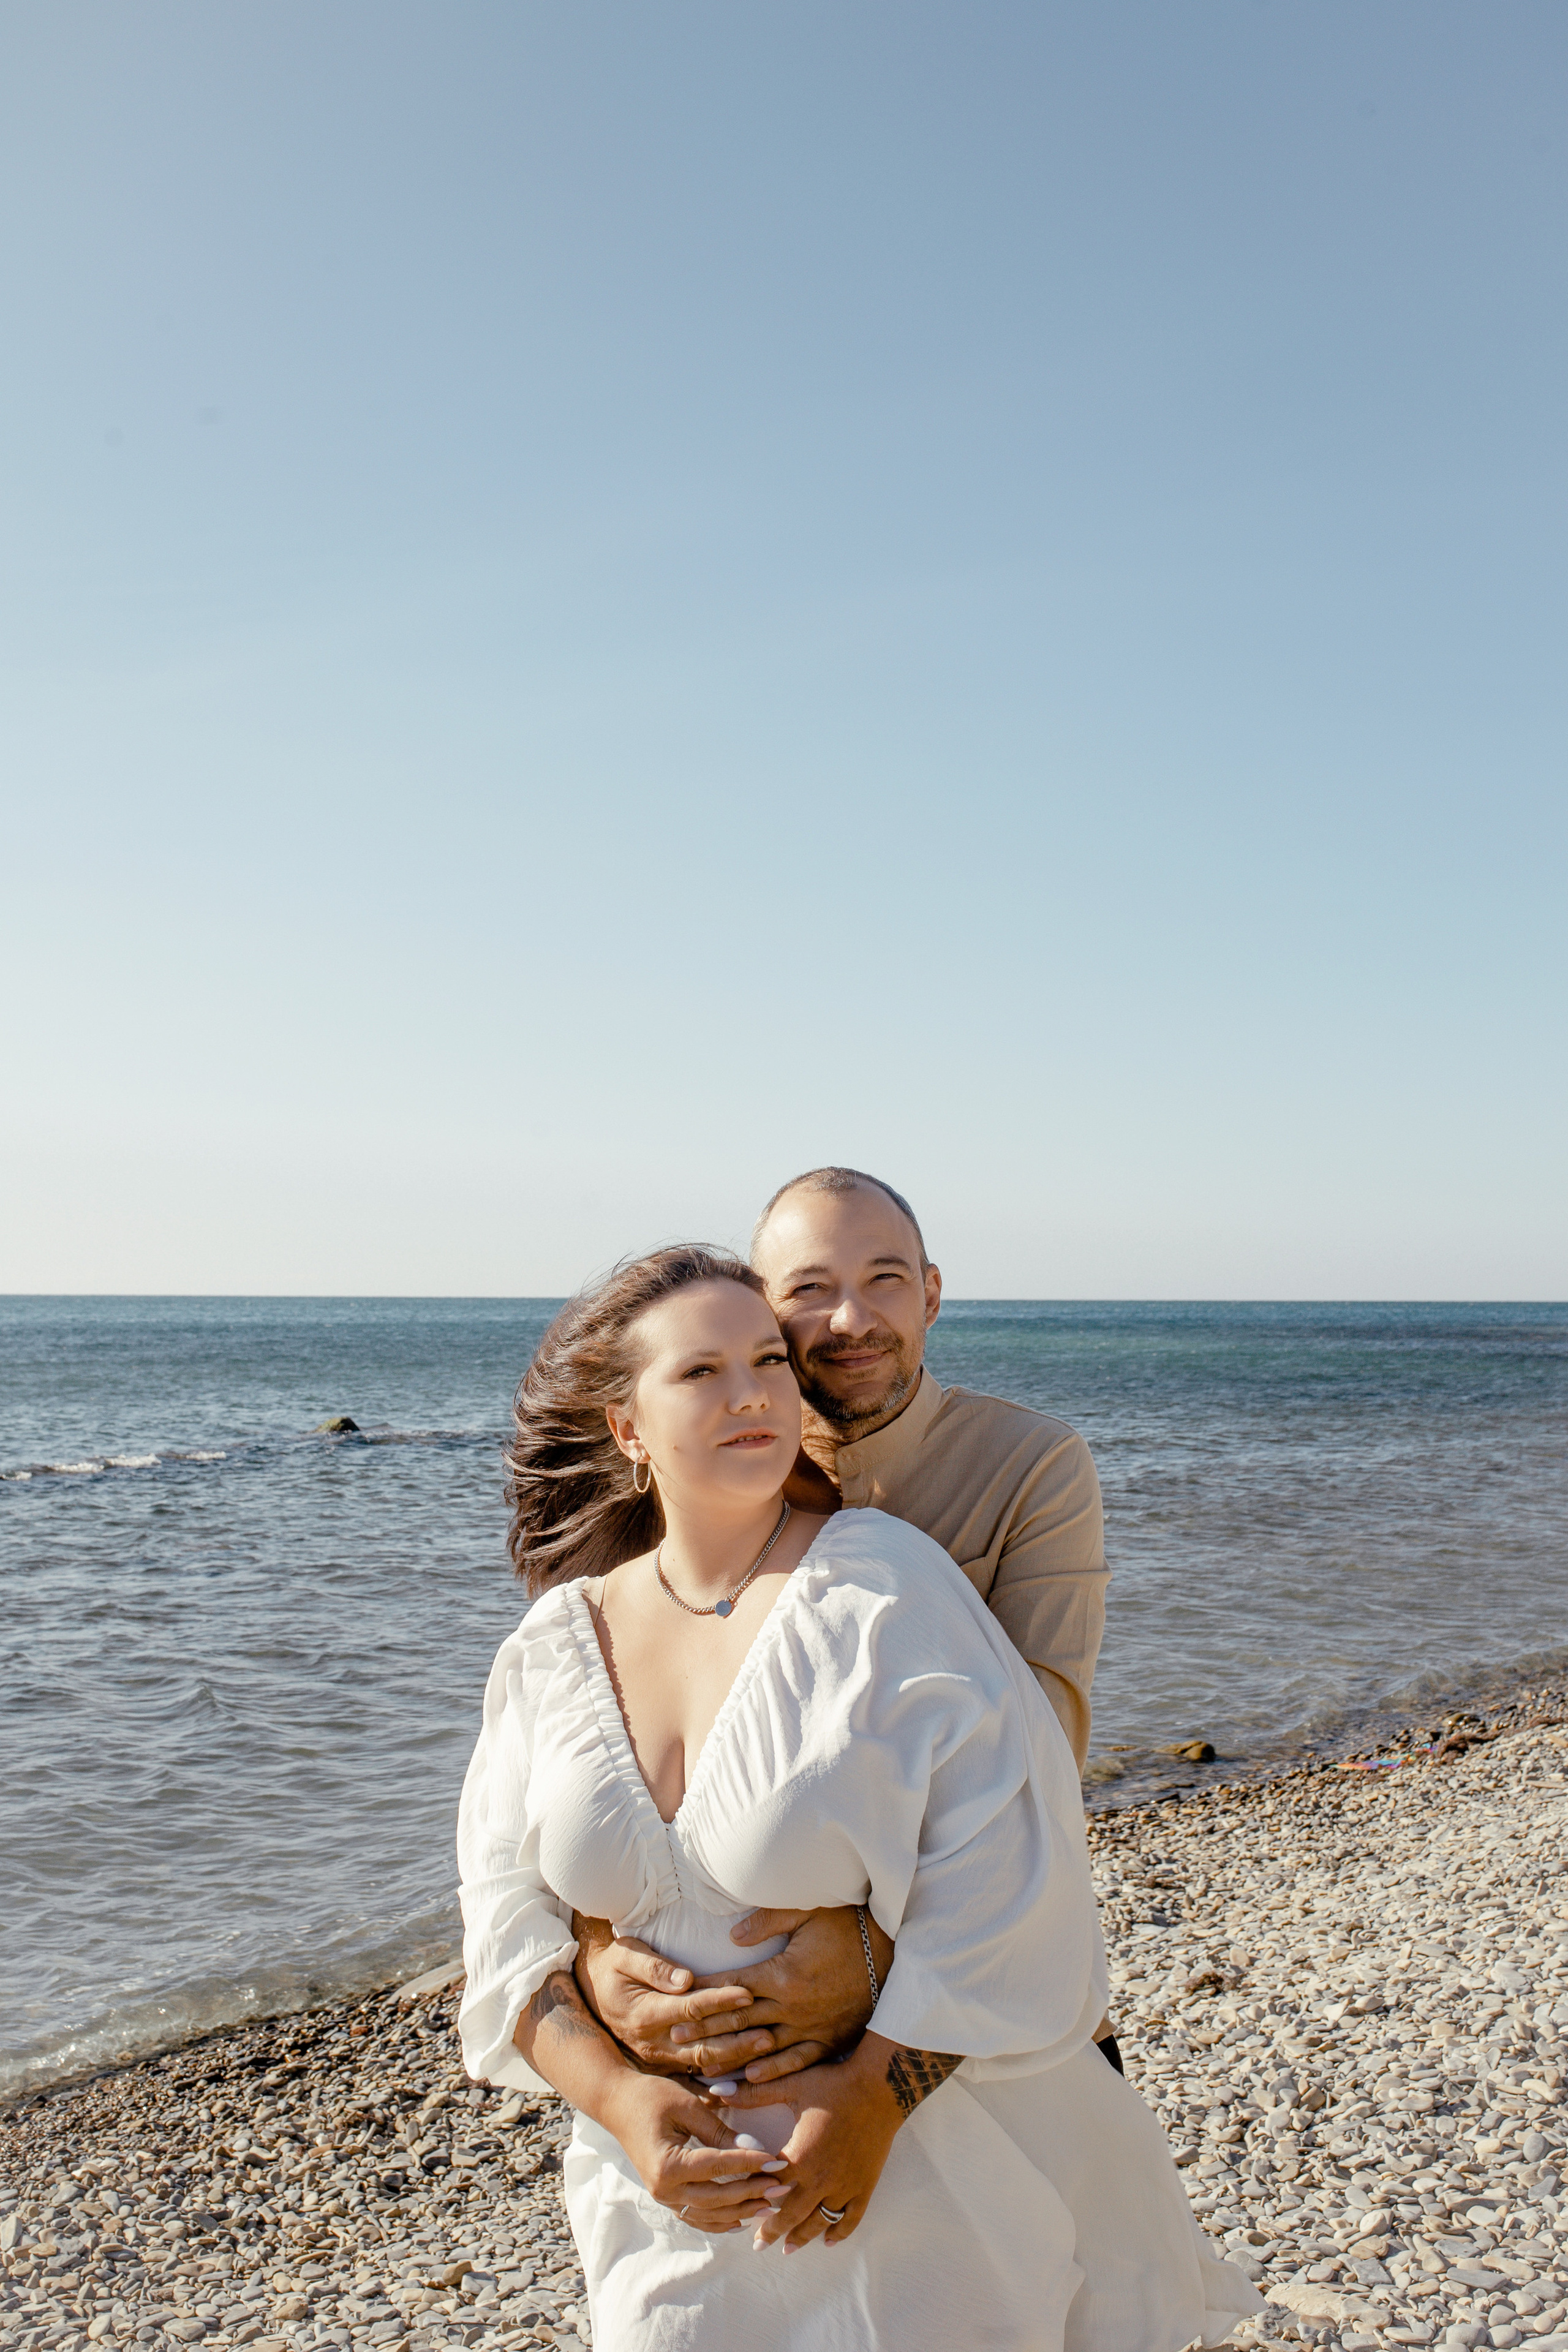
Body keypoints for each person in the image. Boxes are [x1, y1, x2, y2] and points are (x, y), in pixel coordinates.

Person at [457, 1245, 1261, 2350]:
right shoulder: (556, 1646)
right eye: (701, 1372)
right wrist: (622, 2103)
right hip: (666, 2210)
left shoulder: (884, 1585)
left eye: (767, 1362)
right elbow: (503, 1920)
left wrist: (873, 2102)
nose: (752, 1394)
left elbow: (1012, 1863)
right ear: (627, 1428)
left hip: (918, 2186)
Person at [574, 1167, 1122, 2089]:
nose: (851, 1319)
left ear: (931, 1294)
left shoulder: (1032, 1465)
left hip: (989, 1978)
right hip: (724, 2014)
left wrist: (867, 1947)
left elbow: (1041, 1757)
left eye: (885, 1280)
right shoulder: (698, 1474)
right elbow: (603, 1756)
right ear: (760, 1308)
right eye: (809, 1289)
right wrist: (597, 1950)